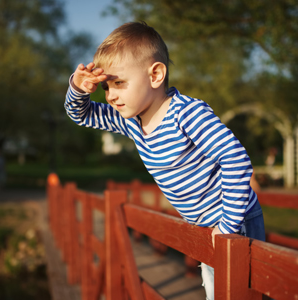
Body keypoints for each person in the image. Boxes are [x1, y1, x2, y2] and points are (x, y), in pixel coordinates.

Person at [64, 22, 265, 299]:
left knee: (237, 294)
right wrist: (78, 87)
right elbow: (81, 115)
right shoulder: (131, 121)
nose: (110, 96)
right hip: (205, 227)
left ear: (156, 75)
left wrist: (227, 228)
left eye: (119, 83)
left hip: (234, 219)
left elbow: (236, 160)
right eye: (106, 87)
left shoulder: (187, 114)